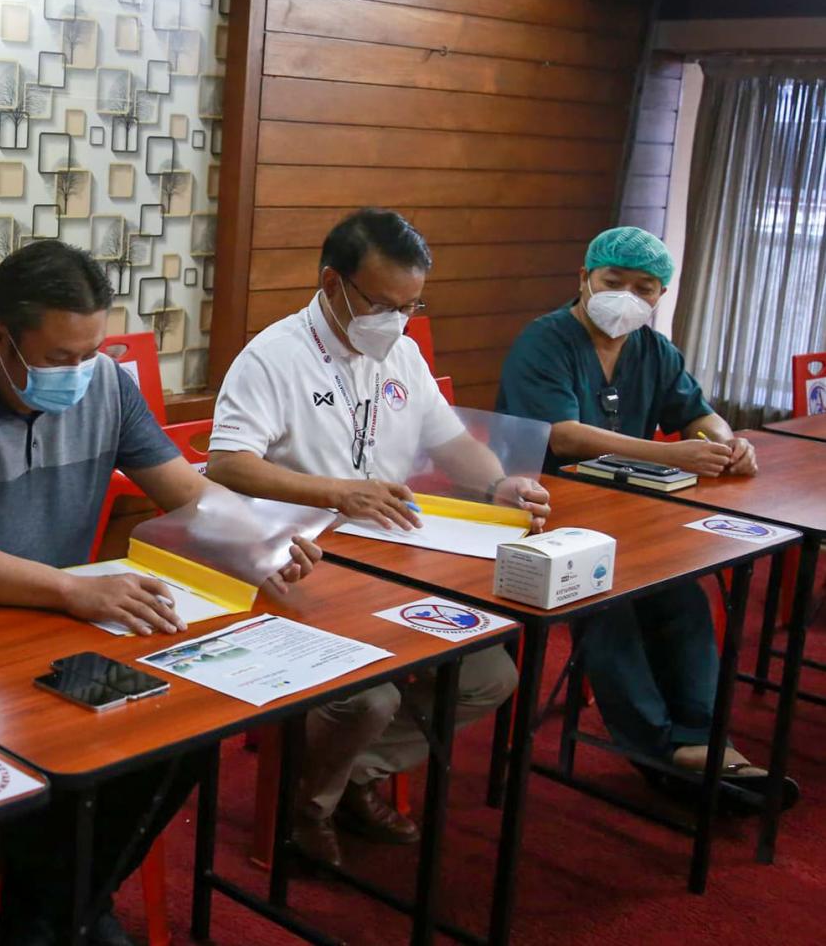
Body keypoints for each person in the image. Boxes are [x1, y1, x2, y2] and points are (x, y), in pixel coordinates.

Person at [0, 239, 320, 945]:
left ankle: (58, 910)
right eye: (60, 357)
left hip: (59, 627)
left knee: (184, 729)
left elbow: (186, 492)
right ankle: (63, 912)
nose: (80, 373)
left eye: (91, 352)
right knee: (69, 753)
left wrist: (261, 540)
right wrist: (66, 590)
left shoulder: (107, 384)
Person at [207, 208, 545, 866]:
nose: (397, 320)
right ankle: (305, 807)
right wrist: (337, 492)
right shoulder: (273, 357)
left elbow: (451, 443)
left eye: (410, 306)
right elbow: (227, 464)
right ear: (333, 284)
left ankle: (342, 779)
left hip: (391, 557)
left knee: (487, 675)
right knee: (369, 695)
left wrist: (499, 484)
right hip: (301, 562)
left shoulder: (402, 354)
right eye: (384, 305)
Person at [496, 225, 795, 809]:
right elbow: (564, 437)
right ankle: (659, 750)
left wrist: (726, 441)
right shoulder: (545, 340)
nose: (627, 297)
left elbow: (698, 413)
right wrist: (669, 454)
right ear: (584, 278)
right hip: (540, 513)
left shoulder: (654, 350)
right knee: (608, 603)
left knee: (683, 596)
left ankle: (699, 738)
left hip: (626, 513)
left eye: (645, 288)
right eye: (614, 282)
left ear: (661, 295)